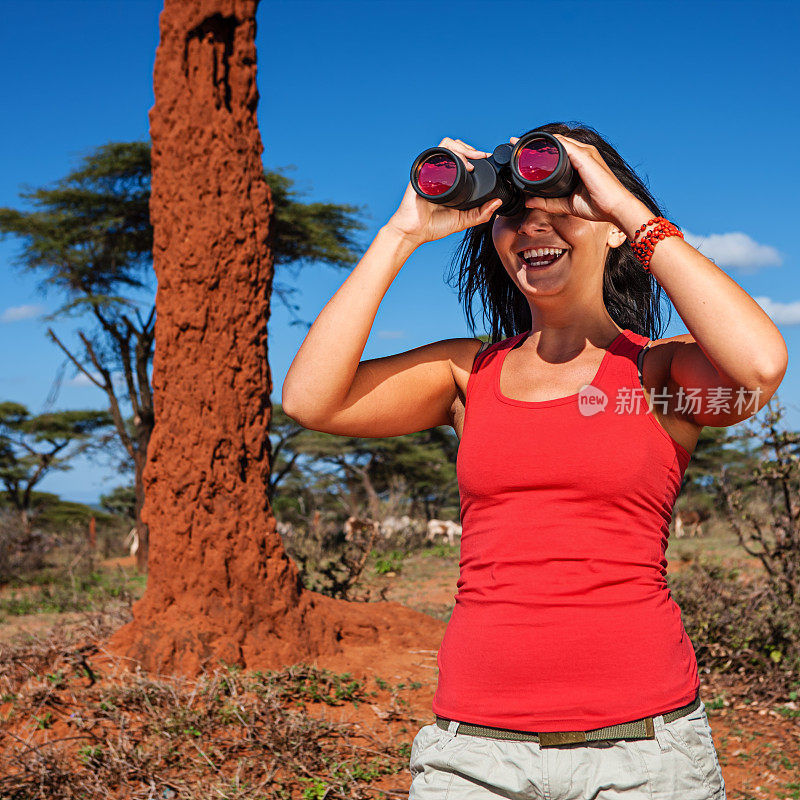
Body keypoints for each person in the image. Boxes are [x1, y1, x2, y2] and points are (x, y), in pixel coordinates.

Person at [281, 122, 788, 799]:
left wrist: (626, 208)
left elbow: (759, 366)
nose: (533, 228)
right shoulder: (470, 374)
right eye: (515, 213)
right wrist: (402, 232)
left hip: (643, 748)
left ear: (612, 226)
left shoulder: (656, 376)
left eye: (565, 205)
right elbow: (310, 401)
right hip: (475, 752)